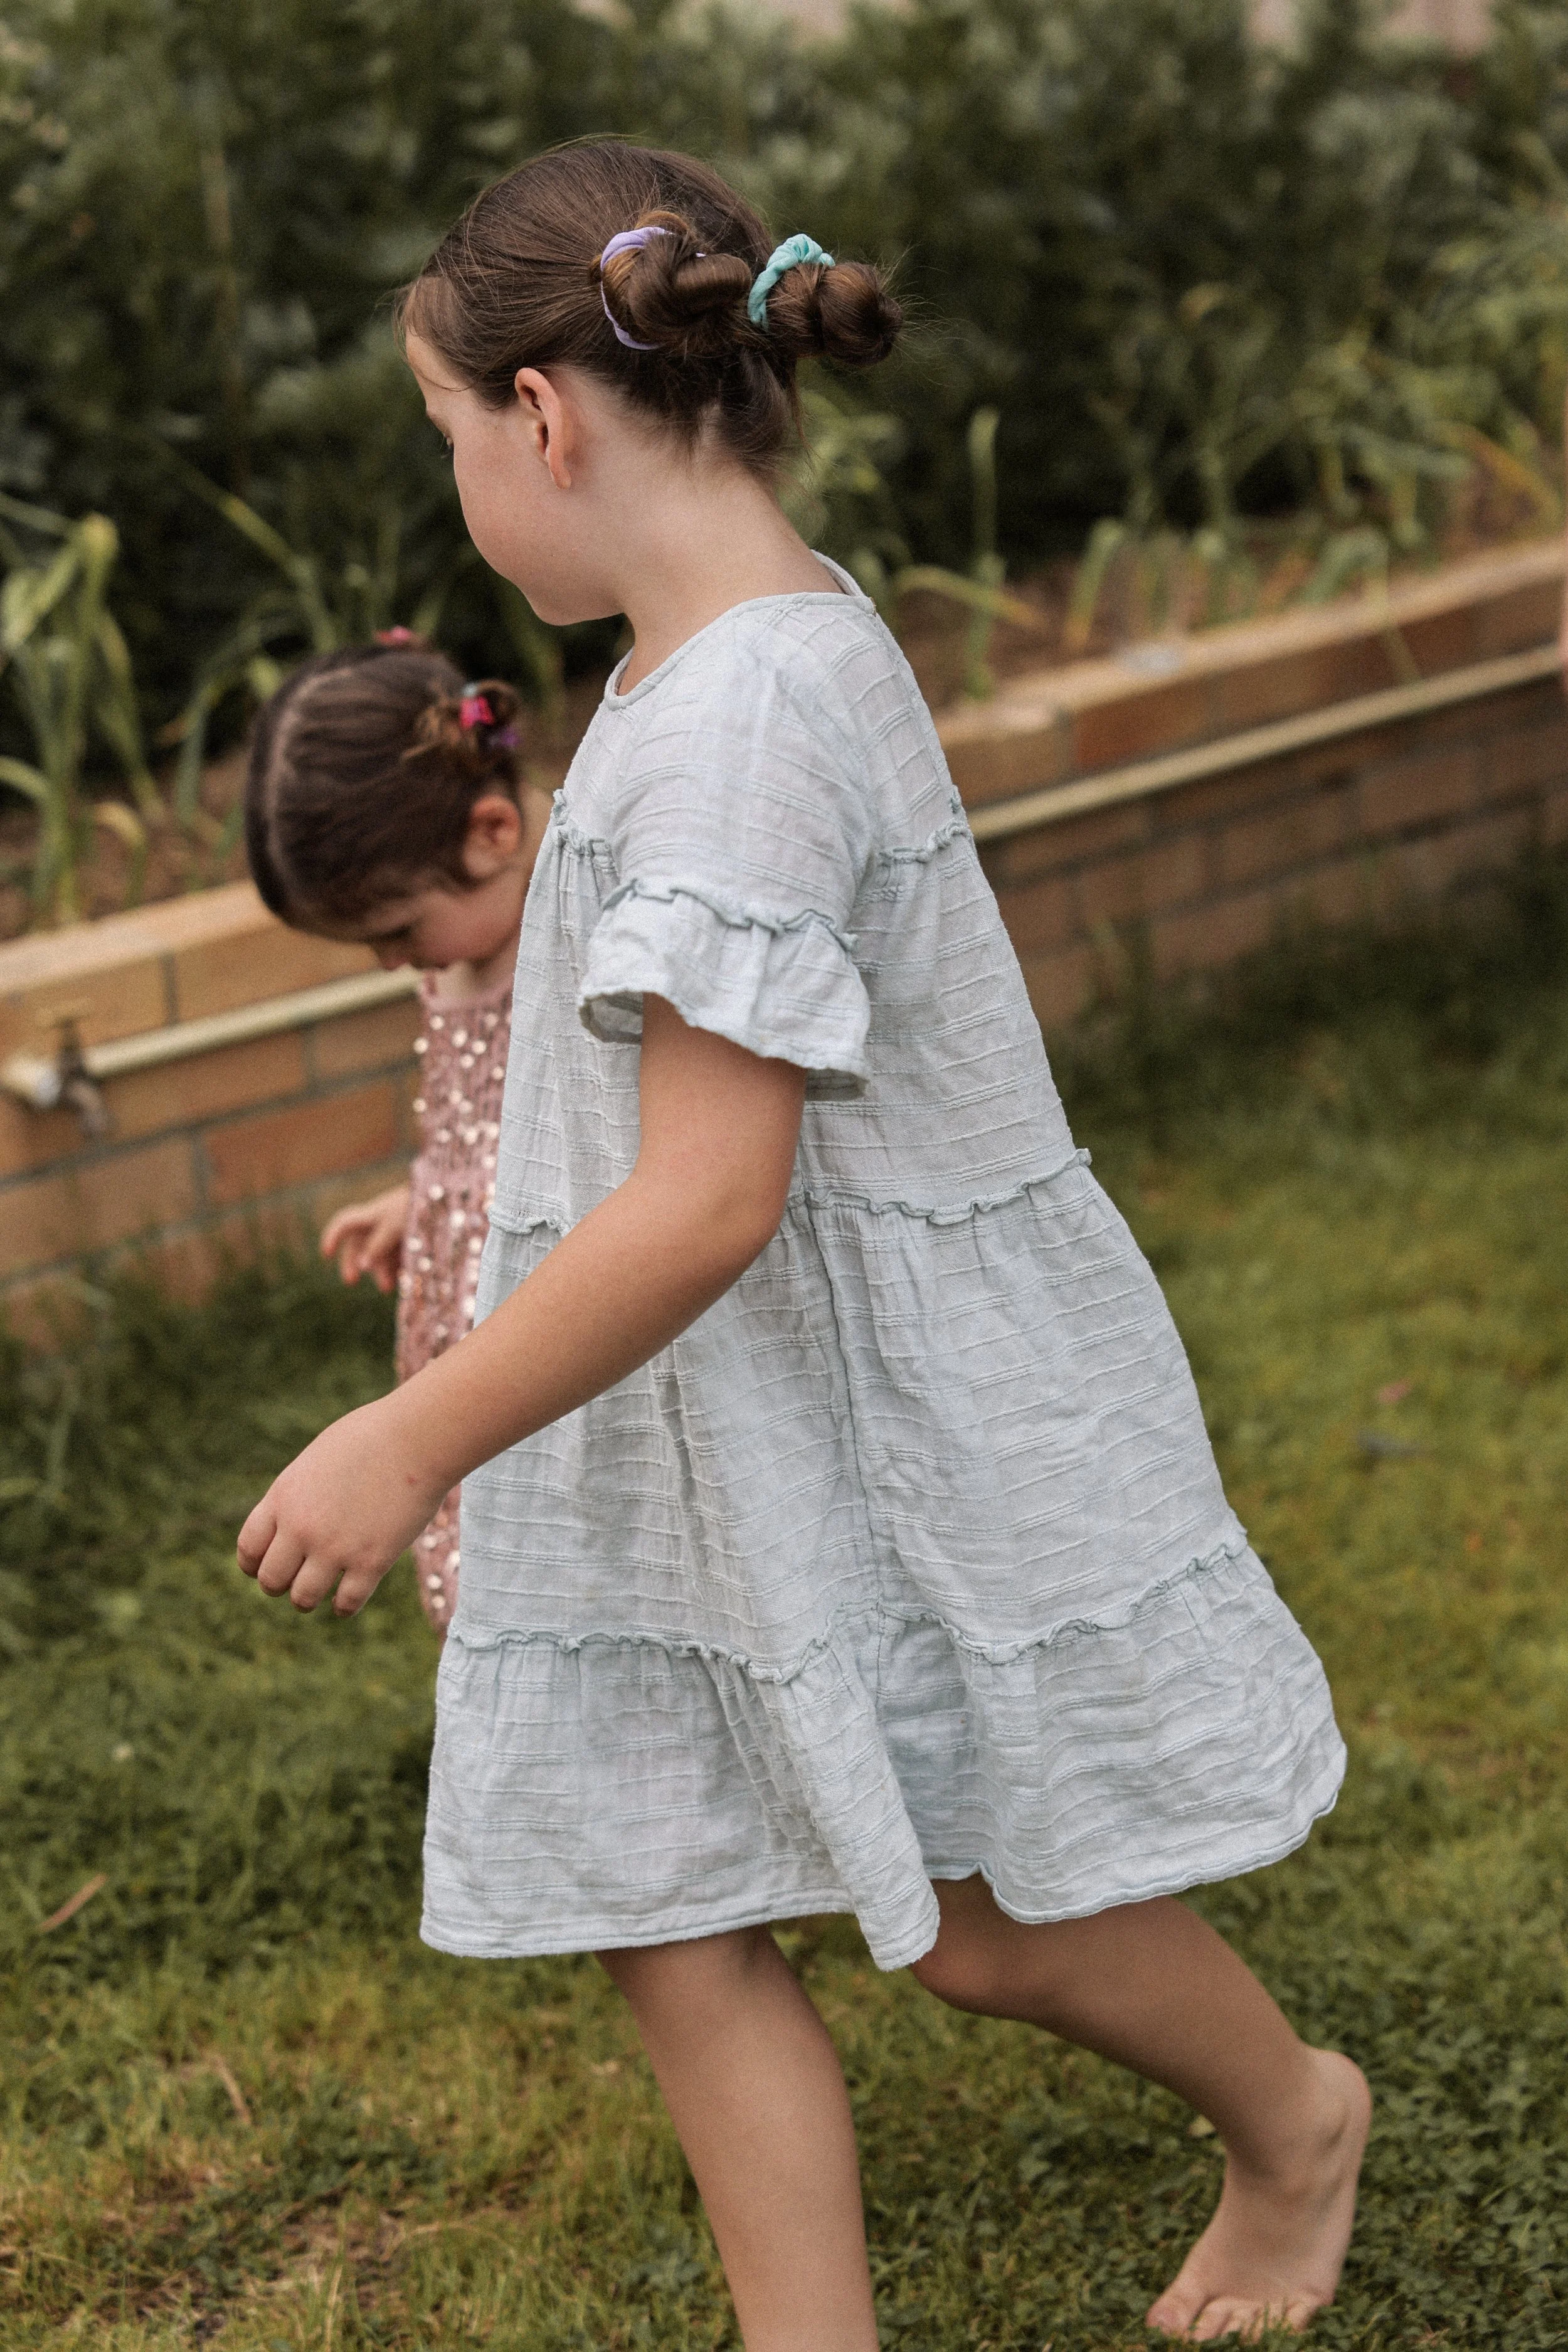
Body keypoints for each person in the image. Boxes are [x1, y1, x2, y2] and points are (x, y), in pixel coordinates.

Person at [237, 142, 1370, 2346]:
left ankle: (1298, 2116)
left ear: (547, 422)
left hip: (816, 1391)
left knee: (966, 1914)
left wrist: (413, 1438)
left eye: (450, 436)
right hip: (685, 1405)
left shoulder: (742, 720)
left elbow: (711, 1193)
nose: (461, 478)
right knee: (667, 1893)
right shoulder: (710, 652)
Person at [244, 639, 551, 1634]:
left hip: (550, 1323)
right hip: (466, 1312)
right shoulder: (466, 943)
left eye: (397, 931)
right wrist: (428, 1200)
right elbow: (482, 1123)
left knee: (556, 1537)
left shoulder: (569, 943)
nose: (390, 962)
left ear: (493, 829)